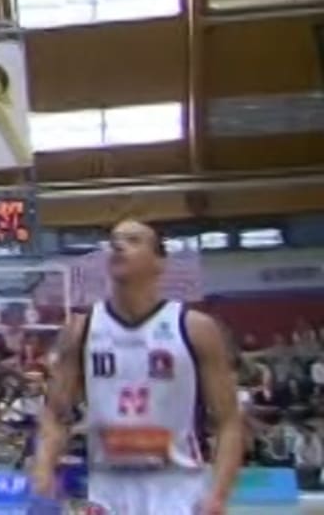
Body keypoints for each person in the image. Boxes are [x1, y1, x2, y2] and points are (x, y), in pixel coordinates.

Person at [31, 219, 243, 515]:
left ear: (160, 262)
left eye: (133, 240)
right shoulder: (81, 329)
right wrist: (43, 468)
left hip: (178, 488)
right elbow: (56, 413)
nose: (118, 246)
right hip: (106, 490)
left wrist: (219, 494)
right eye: (114, 241)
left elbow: (229, 421)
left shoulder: (195, 328)